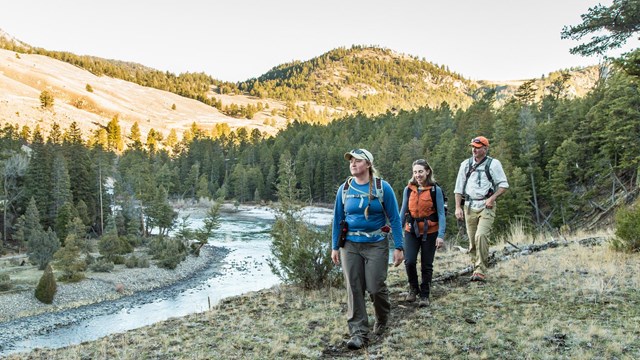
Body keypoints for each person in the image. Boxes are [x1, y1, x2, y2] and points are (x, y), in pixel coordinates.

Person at [331, 148, 404, 350]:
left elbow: (395, 218)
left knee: (375, 286)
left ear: (368, 164)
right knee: (353, 288)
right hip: (350, 245)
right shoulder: (344, 189)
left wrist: (399, 246)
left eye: (358, 161)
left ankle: (382, 316)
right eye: (351, 161)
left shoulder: (382, 187)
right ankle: (358, 333)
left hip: (376, 243)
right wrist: (335, 247)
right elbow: (338, 219)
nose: (353, 164)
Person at [454, 136, 509, 282]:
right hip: (469, 206)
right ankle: (475, 264)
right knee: (472, 241)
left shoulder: (493, 164)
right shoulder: (465, 164)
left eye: (477, 147)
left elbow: (503, 185)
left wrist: (492, 198)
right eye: (473, 147)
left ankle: (480, 269)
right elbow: (458, 188)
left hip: (486, 205)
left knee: (481, 236)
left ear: (485, 148)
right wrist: (457, 207)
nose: (474, 150)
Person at [399, 159, 445, 308]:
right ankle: (413, 288)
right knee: (410, 261)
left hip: (430, 231)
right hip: (411, 230)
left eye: (420, 171)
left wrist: (441, 235)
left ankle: (425, 294)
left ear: (427, 172)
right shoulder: (409, 189)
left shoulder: (435, 190)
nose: (418, 175)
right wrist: (397, 231)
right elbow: (403, 210)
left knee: (427, 264)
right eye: (415, 172)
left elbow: (441, 214)